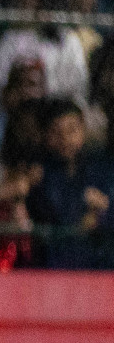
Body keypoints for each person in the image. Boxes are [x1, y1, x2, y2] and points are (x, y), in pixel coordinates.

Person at [27, 100, 113, 270]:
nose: (65, 138)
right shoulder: (38, 173)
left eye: (72, 130)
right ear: (45, 135)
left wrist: (104, 210)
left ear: (83, 130)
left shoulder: (102, 167)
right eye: (56, 132)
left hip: (101, 265)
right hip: (53, 265)